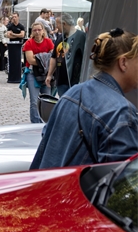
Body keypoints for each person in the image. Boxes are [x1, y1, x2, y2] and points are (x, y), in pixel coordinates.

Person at [30, 28, 138, 170]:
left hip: (50, 183)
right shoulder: (121, 112)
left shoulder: (72, 92)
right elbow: (121, 179)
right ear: (123, 63)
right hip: (71, 185)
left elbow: (48, 138)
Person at [46, 14, 87, 97]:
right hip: (61, 80)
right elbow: (54, 57)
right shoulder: (60, 38)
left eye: (57, 24)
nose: (56, 27)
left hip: (75, 82)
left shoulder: (81, 37)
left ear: (64, 24)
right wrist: (49, 75)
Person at [22, 22, 54, 123]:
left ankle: (47, 122)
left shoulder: (48, 42)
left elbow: (53, 57)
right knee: (34, 101)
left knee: (48, 100)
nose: (37, 32)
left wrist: (38, 58)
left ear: (43, 31)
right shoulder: (29, 43)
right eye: (35, 30)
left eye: (39, 30)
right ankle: (35, 123)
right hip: (32, 73)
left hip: (46, 74)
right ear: (32, 32)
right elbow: (30, 60)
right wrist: (45, 59)